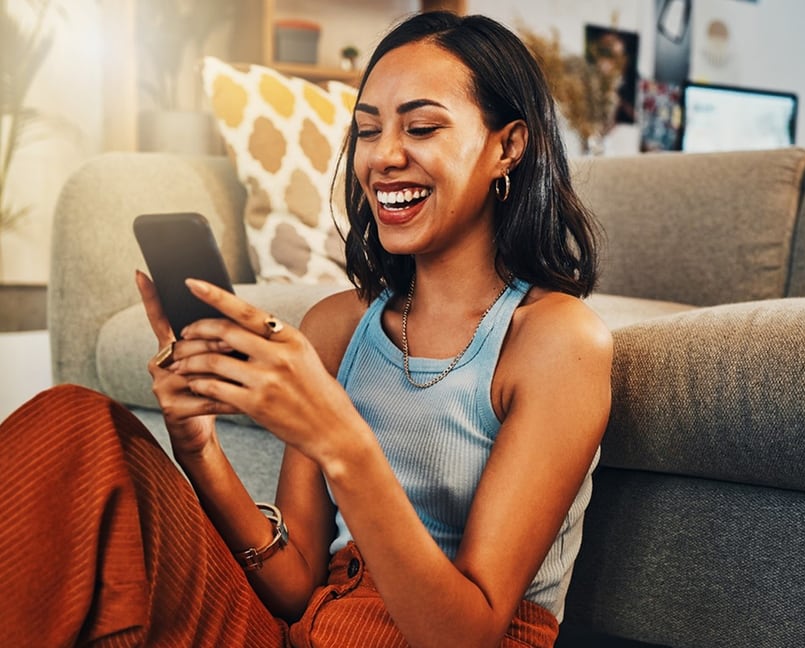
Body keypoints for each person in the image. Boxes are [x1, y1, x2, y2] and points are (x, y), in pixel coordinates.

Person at [0, 11, 611, 647]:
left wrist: (340, 438)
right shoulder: (340, 326)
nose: (383, 157)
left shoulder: (555, 342)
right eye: (368, 131)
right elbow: (294, 588)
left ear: (507, 146)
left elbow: (466, 635)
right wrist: (198, 447)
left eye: (422, 127)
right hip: (303, 633)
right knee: (79, 428)